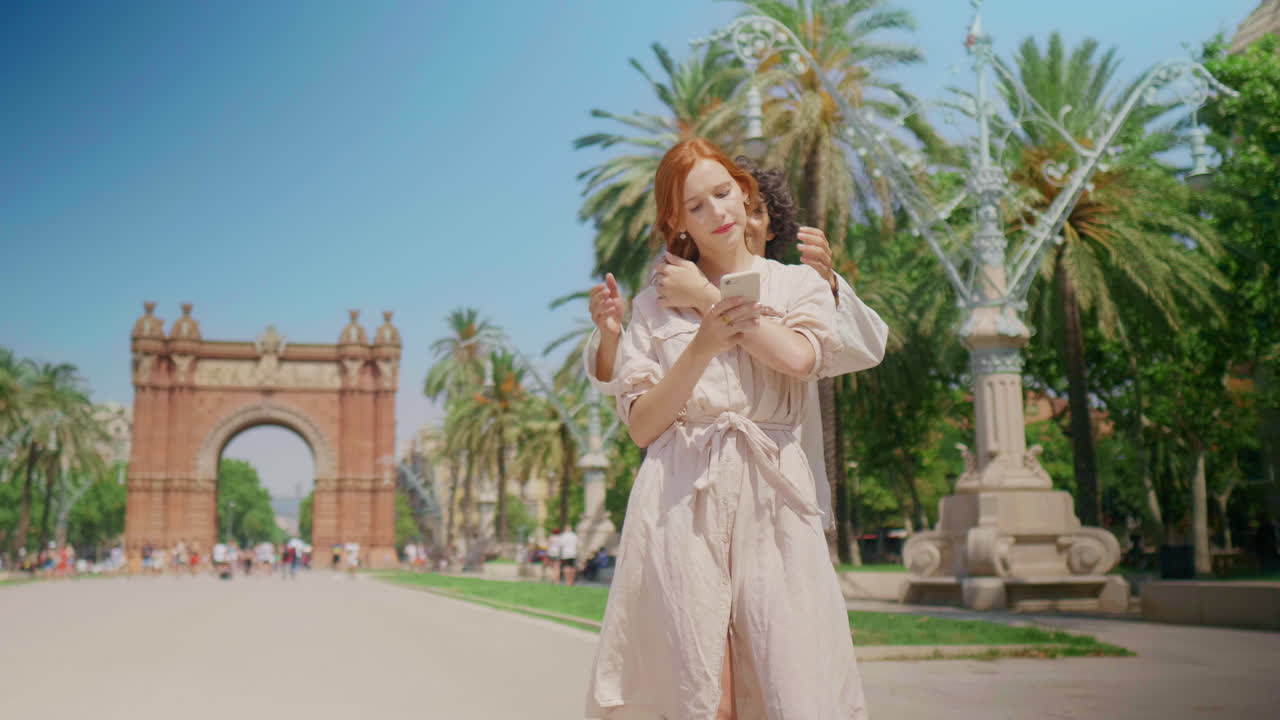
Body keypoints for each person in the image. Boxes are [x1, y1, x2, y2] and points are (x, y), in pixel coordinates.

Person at [583, 139, 872, 719]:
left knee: (787, 677)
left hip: (774, 493)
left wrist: (710, 302)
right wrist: (702, 342)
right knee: (700, 686)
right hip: (680, 495)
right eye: (695, 206)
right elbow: (642, 425)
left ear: (743, 195)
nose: (717, 213)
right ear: (676, 223)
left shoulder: (798, 284)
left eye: (723, 194)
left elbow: (797, 358)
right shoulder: (654, 306)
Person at [585, 157, 889, 538]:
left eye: (756, 209)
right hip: (686, 500)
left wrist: (829, 288)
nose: (727, 214)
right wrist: (612, 335)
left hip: (781, 480)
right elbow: (632, 399)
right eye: (698, 206)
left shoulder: (797, 289)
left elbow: (857, 347)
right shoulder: (662, 299)